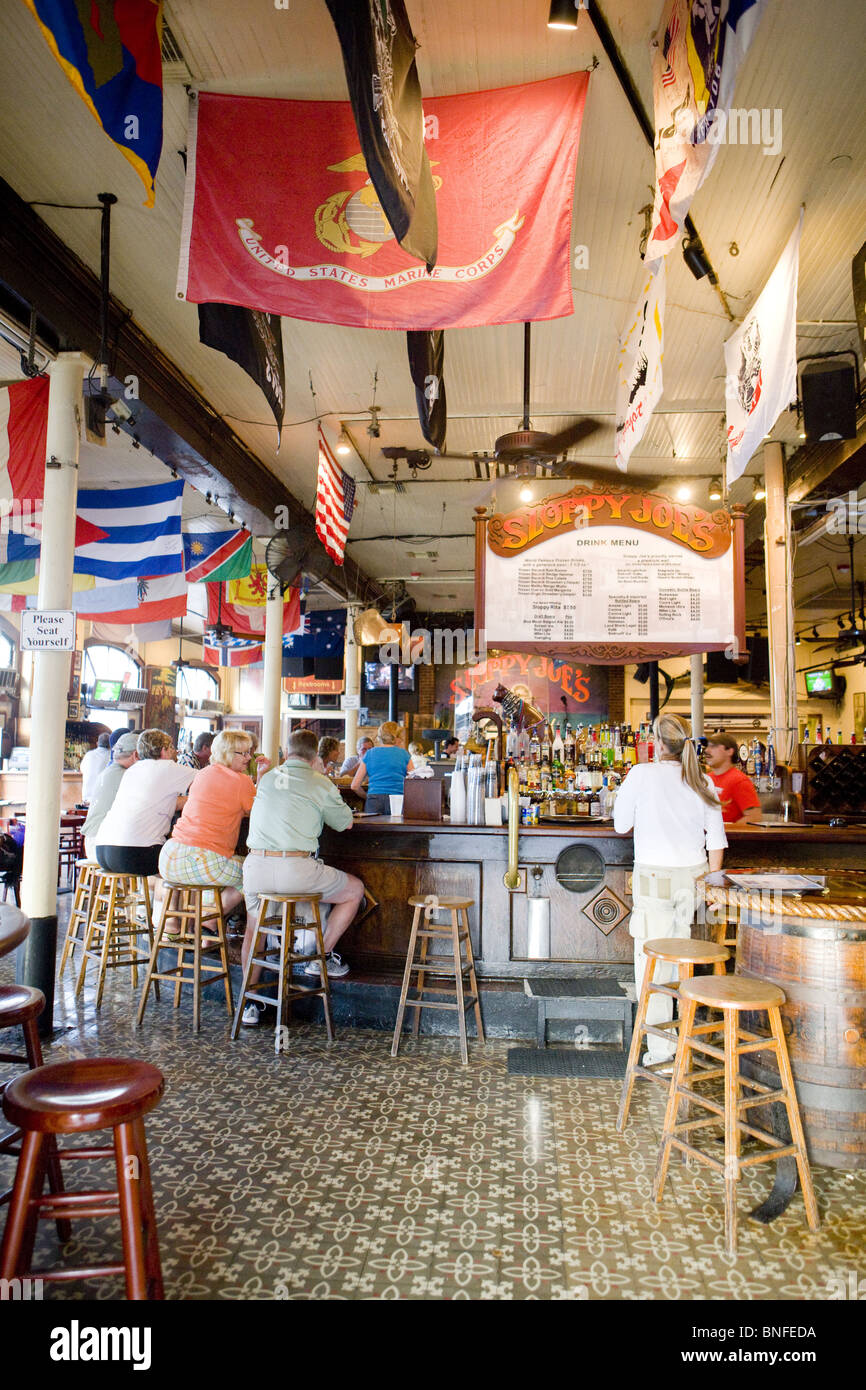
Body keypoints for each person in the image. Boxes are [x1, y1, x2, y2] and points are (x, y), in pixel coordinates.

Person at [613, 713, 727, 1064]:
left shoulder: (641, 774)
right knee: (684, 965)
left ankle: (664, 1053)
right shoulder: (702, 780)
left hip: (655, 881)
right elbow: (717, 844)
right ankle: (689, 1040)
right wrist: (711, 889)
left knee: (655, 966)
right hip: (694, 881)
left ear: (658, 744)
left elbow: (620, 825)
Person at [241, 729, 365, 1023]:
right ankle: (318, 959)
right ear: (316, 756)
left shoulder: (268, 777)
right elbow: (345, 823)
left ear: (286, 750)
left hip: (255, 867)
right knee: (354, 890)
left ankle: (248, 1004)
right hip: (294, 870)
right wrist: (321, 779)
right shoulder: (319, 782)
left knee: (253, 931)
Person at [159, 729, 268, 927]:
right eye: (242, 753)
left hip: (170, 858)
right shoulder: (241, 781)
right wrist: (261, 777)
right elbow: (259, 810)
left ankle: (191, 928)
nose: (249, 757)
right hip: (203, 861)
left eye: (249, 752)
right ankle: (207, 923)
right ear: (227, 753)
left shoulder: (202, 773)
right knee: (257, 872)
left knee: (218, 868)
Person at [94, 728, 196, 877]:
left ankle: (152, 898)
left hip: (104, 851)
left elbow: (159, 802)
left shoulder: (132, 770)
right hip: (135, 854)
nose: (175, 752)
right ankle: (167, 900)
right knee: (186, 858)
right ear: (163, 750)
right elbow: (209, 779)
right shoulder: (168, 767)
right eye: (172, 748)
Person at [82, 731, 139, 860]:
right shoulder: (126, 775)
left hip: (93, 841)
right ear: (136, 755)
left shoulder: (110, 770)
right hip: (103, 844)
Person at [350, 721, 414, 815]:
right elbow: (414, 782)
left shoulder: (370, 754)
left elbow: (354, 786)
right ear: (397, 737)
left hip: (374, 800)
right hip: (397, 800)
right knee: (396, 828)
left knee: (374, 829)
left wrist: (367, 796)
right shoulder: (404, 754)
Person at [704, 733, 762, 826]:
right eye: (707, 746)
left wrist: (725, 831)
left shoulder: (739, 781)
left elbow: (754, 817)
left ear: (729, 751)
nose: (707, 750)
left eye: (713, 746)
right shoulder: (706, 779)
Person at [80, 732, 111, 802]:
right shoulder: (111, 757)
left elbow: (81, 770)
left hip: (86, 798)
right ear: (110, 745)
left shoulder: (88, 755)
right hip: (102, 799)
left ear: (97, 743)